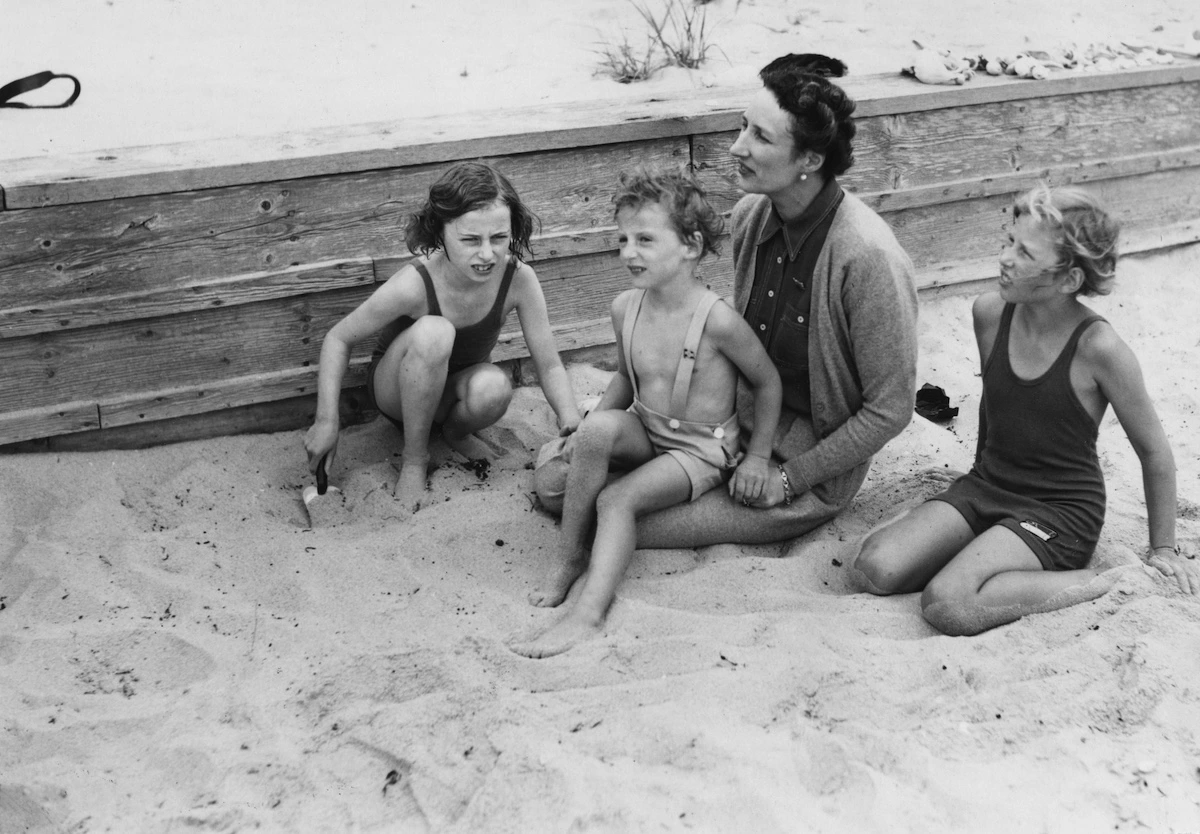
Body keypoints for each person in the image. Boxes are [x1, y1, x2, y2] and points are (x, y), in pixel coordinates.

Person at [534, 53, 918, 549]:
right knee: (555, 490)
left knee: (604, 521)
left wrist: (789, 480)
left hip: (804, 462)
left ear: (810, 160)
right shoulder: (752, 215)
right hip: (719, 431)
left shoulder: (868, 258)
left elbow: (890, 411)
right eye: (742, 127)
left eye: (760, 136)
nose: (736, 147)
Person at [851, 184, 1197, 636]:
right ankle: (986, 548)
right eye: (1008, 241)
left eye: (1025, 253)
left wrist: (1164, 551)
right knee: (874, 569)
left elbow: (1155, 453)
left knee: (948, 603)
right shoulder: (989, 313)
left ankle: (1105, 578)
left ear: (1069, 279)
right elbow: (997, 405)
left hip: (1058, 512)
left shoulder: (1100, 349)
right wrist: (975, 472)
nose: (1005, 257)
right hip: (989, 486)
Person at [512, 168, 783, 658]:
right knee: (594, 434)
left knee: (617, 500)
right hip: (649, 426)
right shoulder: (624, 308)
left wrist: (758, 456)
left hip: (700, 449)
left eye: (644, 239)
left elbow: (767, 382)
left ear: (690, 246)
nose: (627, 252)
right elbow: (624, 380)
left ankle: (588, 614)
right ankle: (569, 556)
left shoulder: (718, 320)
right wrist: (590, 427)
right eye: (622, 239)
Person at [304, 162, 581, 512]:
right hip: (397, 393)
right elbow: (338, 338)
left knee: (495, 387)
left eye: (498, 238)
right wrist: (327, 420)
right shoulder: (415, 283)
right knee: (436, 332)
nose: (486, 254)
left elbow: (551, 365)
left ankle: (455, 433)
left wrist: (570, 419)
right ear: (440, 232)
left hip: (453, 395)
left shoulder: (519, 279)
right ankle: (415, 459)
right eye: (469, 240)